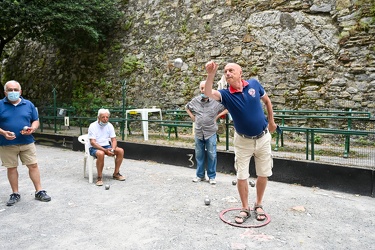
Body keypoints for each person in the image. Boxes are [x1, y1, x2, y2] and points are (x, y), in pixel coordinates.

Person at [204, 61, 277, 223]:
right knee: (241, 175)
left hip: (263, 137)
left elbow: (267, 101)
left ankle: (258, 204)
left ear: (240, 73)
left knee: (263, 173)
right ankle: (245, 208)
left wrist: (271, 122)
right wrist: (210, 74)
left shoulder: (254, 84)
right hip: (243, 141)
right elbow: (209, 93)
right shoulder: (226, 94)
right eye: (225, 71)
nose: (227, 73)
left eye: (231, 70)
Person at [0, 80, 51, 206]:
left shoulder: (28, 104)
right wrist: (3, 133)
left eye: (16, 90)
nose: (13, 92)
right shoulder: (0, 105)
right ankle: (15, 193)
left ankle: (39, 191)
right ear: (5, 92)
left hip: (27, 142)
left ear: (20, 91)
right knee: (11, 168)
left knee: (33, 165)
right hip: (7, 143)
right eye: (10, 90)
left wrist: (32, 129)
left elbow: (35, 120)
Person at [185, 81, 228, 185]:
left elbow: (228, 108)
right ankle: (200, 175)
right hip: (199, 132)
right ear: (200, 89)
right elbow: (187, 107)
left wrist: (217, 116)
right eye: (202, 88)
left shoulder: (216, 101)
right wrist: (191, 116)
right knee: (199, 155)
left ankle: (212, 176)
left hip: (211, 132)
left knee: (212, 155)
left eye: (205, 88)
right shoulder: (195, 101)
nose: (203, 90)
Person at [88, 108, 125, 186]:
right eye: (103, 117)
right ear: (98, 117)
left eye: (107, 117)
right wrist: (105, 150)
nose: (105, 119)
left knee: (120, 151)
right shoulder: (93, 126)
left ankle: (116, 173)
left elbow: (114, 140)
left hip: (106, 146)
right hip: (94, 147)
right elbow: (93, 142)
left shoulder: (110, 125)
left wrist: (113, 149)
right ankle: (99, 177)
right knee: (101, 153)